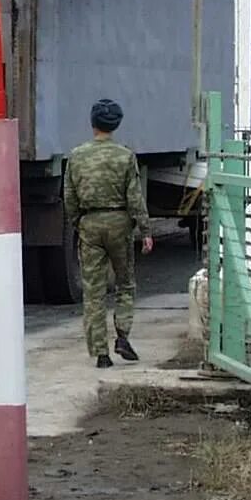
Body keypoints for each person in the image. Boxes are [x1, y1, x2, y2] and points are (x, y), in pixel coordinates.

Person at [64, 99, 154, 368]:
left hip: (90, 223)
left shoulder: (77, 155)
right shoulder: (125, 156)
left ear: (92, 124)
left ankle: (101, 354)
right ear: (116, 124)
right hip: (119, 222)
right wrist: (145, 229)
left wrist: (78, 222)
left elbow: (69, 196)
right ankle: (123, 336)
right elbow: (135, 198)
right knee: (125, 283)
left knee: (93, 290)